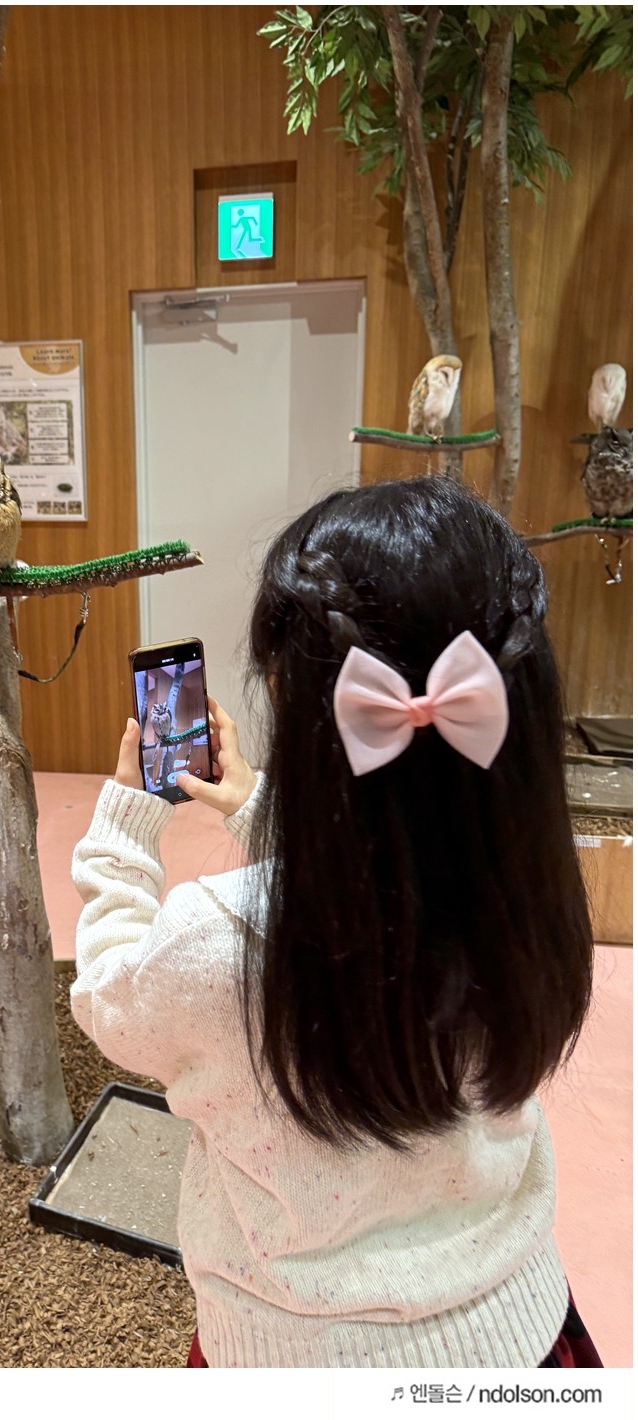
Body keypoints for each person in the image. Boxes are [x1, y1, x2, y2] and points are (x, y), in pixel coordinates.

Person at [70, 478, 602, 1369]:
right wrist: (260, 809)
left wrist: (126, 829)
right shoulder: (527, 901)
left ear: (301, 705)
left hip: (292, 1358)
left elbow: (109, 998)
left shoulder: (215, 943)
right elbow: (388, 875)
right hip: (520, 1333)